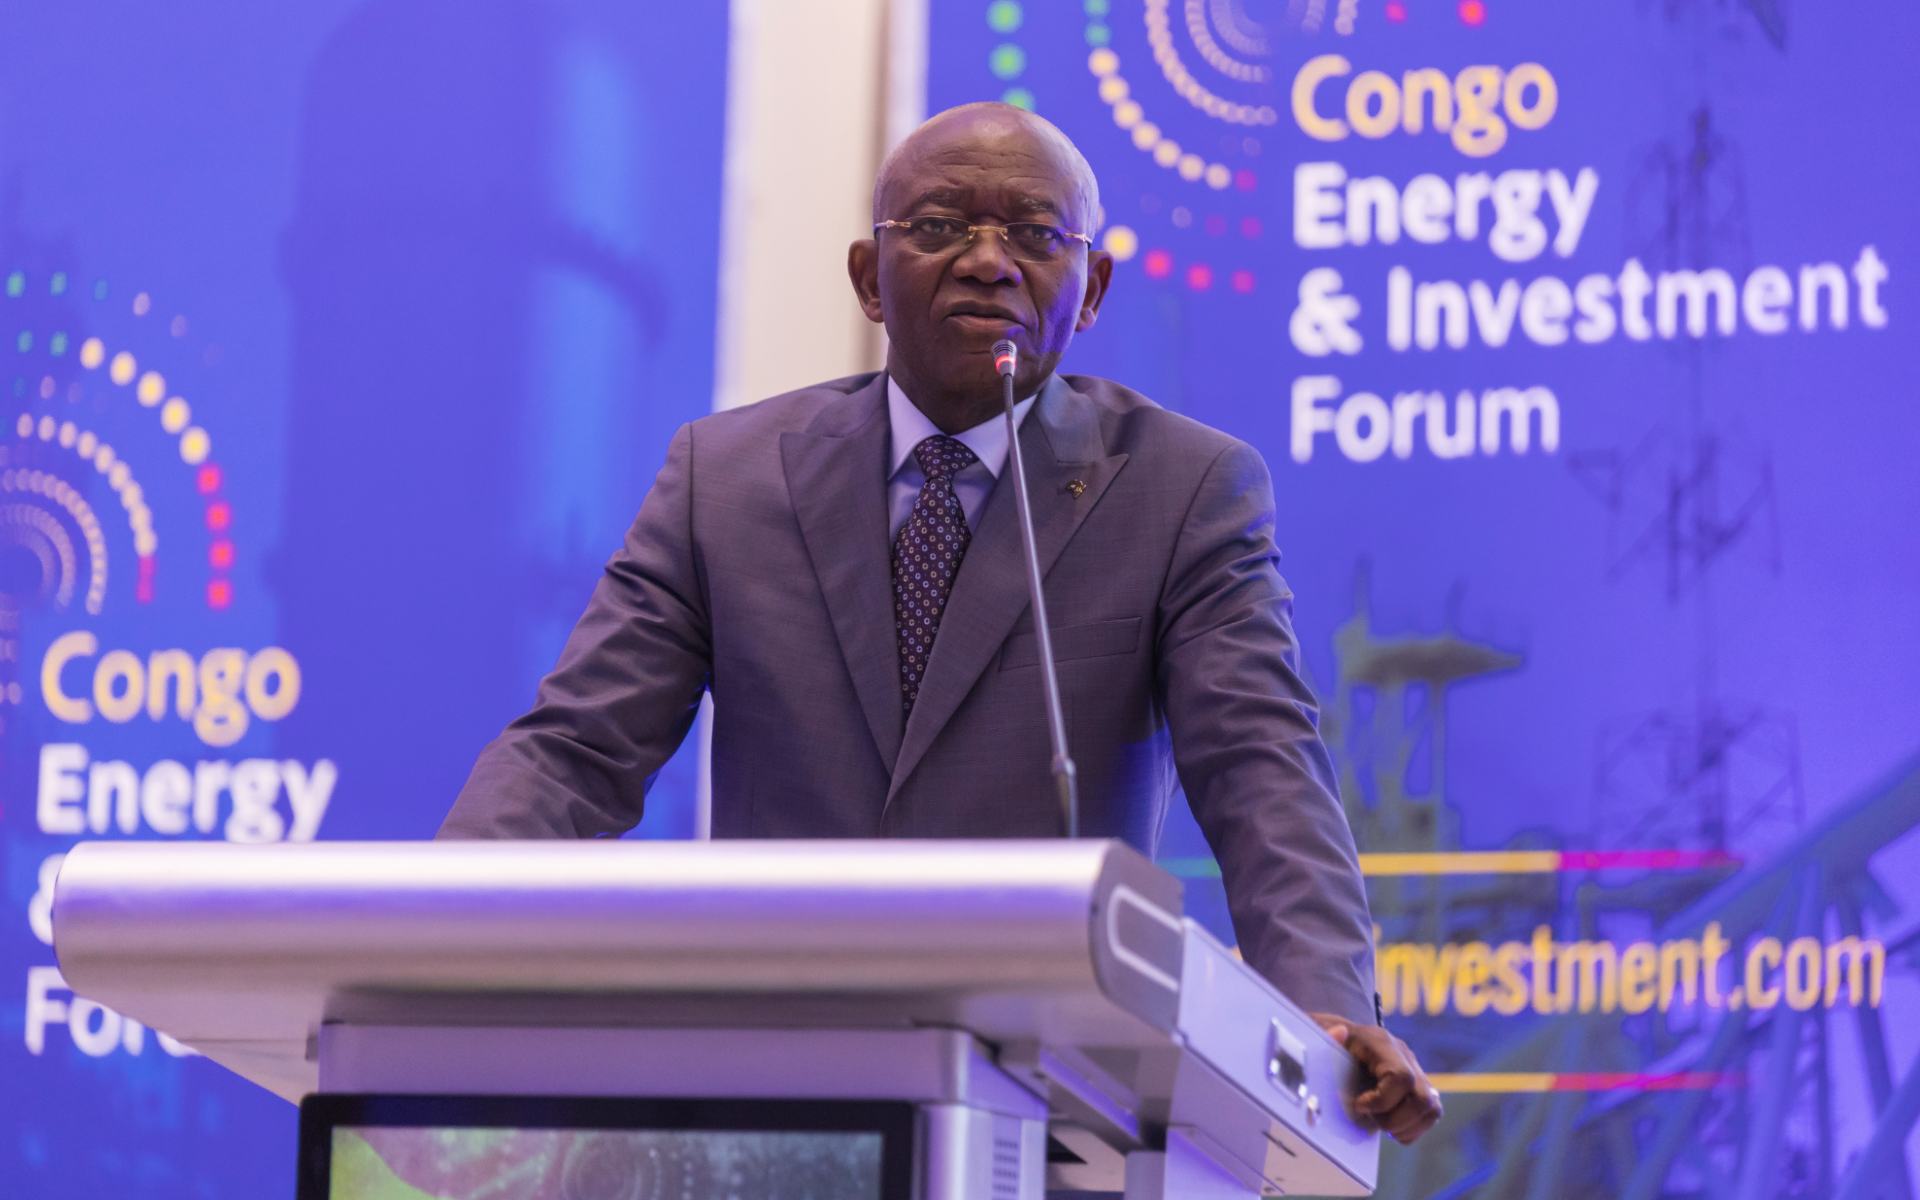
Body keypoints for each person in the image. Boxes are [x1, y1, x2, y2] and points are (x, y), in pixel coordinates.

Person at [440, 102, 1442, 1144]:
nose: (988, 261)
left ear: (1092, 289)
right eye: (938, 226)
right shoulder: (725, 479)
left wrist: (1325, 1009)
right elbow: (577, 750)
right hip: (775, 1091)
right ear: (869, 279)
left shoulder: (1184, 489)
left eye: (1035, 233)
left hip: (1053, 1095)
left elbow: (1261, 766)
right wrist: (436, 934)